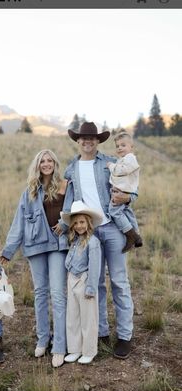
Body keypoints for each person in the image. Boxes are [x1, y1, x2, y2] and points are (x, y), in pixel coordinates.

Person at [61, 121, 136, 360]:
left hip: (112, 228)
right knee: (96, 284)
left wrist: (128, 198)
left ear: (97, 141)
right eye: (83, 138)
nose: (87, 141)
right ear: (78, 141)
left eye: (91, 138)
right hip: (88, 234)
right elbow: (69, 200)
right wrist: (64, 225)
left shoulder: (109, 164)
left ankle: (125, 336)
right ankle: (102, 332)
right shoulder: (71, 168)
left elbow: (130, 187)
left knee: (119, 282)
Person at [1, 149, 68, 368]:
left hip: (58, 245)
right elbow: (18, 223)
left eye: (50, 161)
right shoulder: (29, 191)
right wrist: (8, 251)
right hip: (35, 245)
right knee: (40, 293)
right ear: (37, 165)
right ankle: (42, 338)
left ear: (55, 163)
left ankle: (59, 346)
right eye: (42, 161)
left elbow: (74, 210)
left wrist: (66, 224)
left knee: (57, 294)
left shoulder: (65, 185)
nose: (46, 164)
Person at [60, 201, 102, 365]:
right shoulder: (74, 240)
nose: (78, 226)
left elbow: (94, 267)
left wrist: (91, 288)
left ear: (89, 223)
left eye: (82, 222)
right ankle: (75, 349)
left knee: (88, 317)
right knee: (73, 316)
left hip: (85, 280)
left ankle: (89, 350)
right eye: (75, 223)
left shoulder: (93, 242)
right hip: (72, 279)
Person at [107, 131, 143, 253]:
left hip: (124, 191)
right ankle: (137, 235)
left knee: (114, 211)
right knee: (127, 211)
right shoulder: (123, 159)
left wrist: (111, 166)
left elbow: (122, 171)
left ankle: (131, 235)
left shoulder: (130, 158)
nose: (120, 148)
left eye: (123, 145)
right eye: (117, 146)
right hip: (124, 189)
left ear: (131, 147)